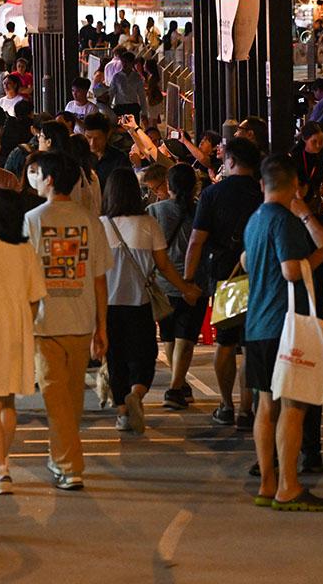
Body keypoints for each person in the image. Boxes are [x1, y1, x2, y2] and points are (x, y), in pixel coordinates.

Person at [243, 154, 323, 511]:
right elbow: (291, 271)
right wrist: (320, 255)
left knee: (265, 405)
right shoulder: (285, 221)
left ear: (263, 184)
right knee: (294, 407)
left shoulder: (254, 221)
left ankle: (268, 482)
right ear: (295, 185)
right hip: (284, 325)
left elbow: (246, 262)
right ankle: (289, 485)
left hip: (256, 325)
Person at [23, 151, 110, 490]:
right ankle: (62, 456)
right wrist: (102, 326)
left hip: (45, 323)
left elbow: (25, 276)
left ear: (49, 179)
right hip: (82, 320)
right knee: (69, 399)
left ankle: (69, 464)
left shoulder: (32, 220)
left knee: (56, 397)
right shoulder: (90, 220)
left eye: (38, 172)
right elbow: (100, 279)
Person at [99, 169, 200, 434]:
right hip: (140, 303)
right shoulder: (148, 224)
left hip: (108, 305)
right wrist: (185, 289)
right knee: (144, 357)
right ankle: (137, 394)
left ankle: (122, 412)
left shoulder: (100, 226)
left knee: (116, 358)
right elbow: (164, 266)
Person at [183, 138, 263, 430]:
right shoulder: (263, 191)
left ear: (230, 161)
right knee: (252, 344)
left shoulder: (213, 194)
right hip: (262, 277)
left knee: (226, 343)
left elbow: (196, 240)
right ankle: (246, 409)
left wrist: (189, 280)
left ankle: (227, 405)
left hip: (228, 277)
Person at [0, 189, 46, 495]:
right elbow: (35, 299)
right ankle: (4, 464)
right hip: (18, 329)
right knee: (8, 401)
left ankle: (0, 467)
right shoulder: (26, 250)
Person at [148, 164, 204, 410]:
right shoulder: (202, 210)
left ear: (168, 186)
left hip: (163, 283)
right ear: (195, 186)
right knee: (186, 336)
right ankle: (175, 388)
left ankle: (178, 384)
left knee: (169, 335)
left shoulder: (154, 211)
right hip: (195, 282)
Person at [83, 113, 131, 186]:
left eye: (97, 138)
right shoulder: (80, 156)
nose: (92, 143)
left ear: (108, 134)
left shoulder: (119, 159)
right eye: (88, 137)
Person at [108, 52, 146, 119]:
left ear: (132, 63)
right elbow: (111, 93)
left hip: (133, 108)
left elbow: (141, 95)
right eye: (123, 62)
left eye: (127, 62)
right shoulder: (117, 77)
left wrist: (144, 112)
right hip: (120, 107)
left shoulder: (137, 77)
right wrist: (108, 109)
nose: (124, 64)